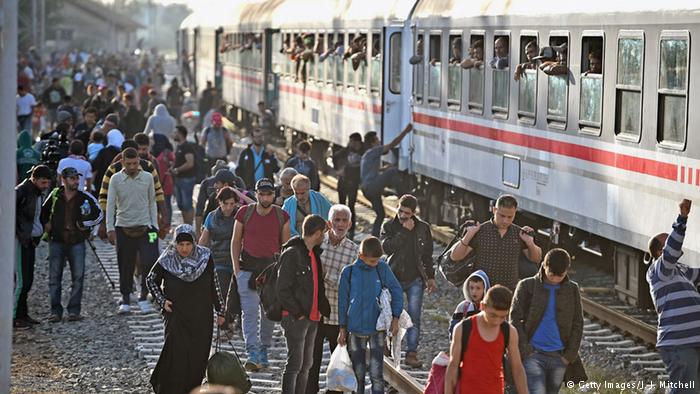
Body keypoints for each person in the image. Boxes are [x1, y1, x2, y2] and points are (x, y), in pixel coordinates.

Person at [147, 224, 225, 394]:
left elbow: (214, 284)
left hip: (202, 317)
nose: (184, 248)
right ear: (175, 244)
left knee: (198, 358)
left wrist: (221, 311)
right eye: (180, 244)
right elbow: (151, 280)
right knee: (176, 356)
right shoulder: (167, 258)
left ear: (194, 243)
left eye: (188, 244)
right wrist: (162, 301)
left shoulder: (205, 257)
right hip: (176, 316)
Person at [229, 178, 291, 371]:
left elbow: (286, 247)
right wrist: (236, 271)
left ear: (274, 194)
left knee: (268, 315)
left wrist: (282, 275)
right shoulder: (244, 213)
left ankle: (263, 350)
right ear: (256, 194)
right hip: (247, 269)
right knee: (249, 314)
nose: (265, 197)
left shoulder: (282, 216)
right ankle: (252, 352)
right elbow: (236, 241)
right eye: (262, 194)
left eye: (269, 194)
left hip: (271, 274)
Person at [510, 248, 584, 394]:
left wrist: (568, 356)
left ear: (567, 270)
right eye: (552, 274)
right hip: (533, 353)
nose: (555, 279)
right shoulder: (527, 286)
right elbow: (514, 319)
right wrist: (526, 350)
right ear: (544, 265)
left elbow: (578, 323)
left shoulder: (572, 289)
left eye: (560, 275)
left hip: (559, 356)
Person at [646, 199, 700, 393]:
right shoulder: (659, 270)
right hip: (679, 343)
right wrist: (682, 218)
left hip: (690, 340)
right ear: (660, 252)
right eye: (667, 241)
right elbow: (672, 249)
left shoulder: (681, 271)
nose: (672, 242)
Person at [337, 236, 403, 394]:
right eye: (372, 261)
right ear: (361, 257)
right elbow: (343, 302)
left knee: (376, 373)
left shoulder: (382, 268)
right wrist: (342, 328)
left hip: (377, 329)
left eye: (378, 260)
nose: (376, 264)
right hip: (356, 330)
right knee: (357, 372)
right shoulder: (349, 272)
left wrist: (395, 317)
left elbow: (396, 291)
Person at [380, 194, 436, 368]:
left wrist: (431, 277)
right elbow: (386, 247)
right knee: (388, 314)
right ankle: (387, 347)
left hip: (415, 279)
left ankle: (411, 353)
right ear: (397, 207)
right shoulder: (388, 225)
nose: (403, 215)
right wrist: (405, 232)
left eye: (407, 213)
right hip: (393, 277)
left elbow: (427, 255)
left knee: (414, 317)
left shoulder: (423, 228)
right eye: (401, 210)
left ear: (413, 213)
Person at [277, 215, 331, 394]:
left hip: (312, 317)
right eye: (323, 233)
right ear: (316, 233)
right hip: (296, 318)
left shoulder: (313, 253)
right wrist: (298, 313)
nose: (324, 236)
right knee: (294, 364)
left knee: (306, 364)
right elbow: (282, 289)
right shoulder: (292, 254)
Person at [307, 204, 358, 394]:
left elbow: (349, 285)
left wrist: (324, 275)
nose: (341, 224)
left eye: (345, 220)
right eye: (337, 220)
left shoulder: (354, 251)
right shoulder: (317, 243)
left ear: (350, 224)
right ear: (329, 223)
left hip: (338, 316)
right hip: (316, 314)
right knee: (311, 361)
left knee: (339, 363)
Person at [41, 167, 103, 322]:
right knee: (54, 278)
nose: (76, 181)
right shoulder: (55, 195)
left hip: (77, 241)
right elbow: (42, 212)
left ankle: (74, 311)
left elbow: (99, 214)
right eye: (72, 178)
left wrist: (85, 224)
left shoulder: (84, 197)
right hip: (57, 241)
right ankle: (55, 311)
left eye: (77, 178)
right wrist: (46, 224)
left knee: (78, 276)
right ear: (64, 179)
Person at [445, 285, 528, 394]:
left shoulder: (509, 331)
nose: (497, 321)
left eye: (502, 317)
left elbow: (517, 368)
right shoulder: (463, 329)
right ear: (482, 306)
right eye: (493, 315)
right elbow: (453, 366)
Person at [106, 147, 159, 315]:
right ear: (123, 162)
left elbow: (152, 202)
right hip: (123, 228)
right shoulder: (115, 179)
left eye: (135, 163)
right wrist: (109, 228)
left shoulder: (148, 177)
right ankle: (126, 299)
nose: (132, 167)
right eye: (128, 164)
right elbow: (110, 205)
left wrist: (155, 226)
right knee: (125, 264)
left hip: (147, 228)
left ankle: (144, 296)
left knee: (149, 262)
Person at [449, 194, 542, 290]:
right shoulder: (481, 230)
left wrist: (530, 243)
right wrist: (468, 236)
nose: (505, 221)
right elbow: (455, 257)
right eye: (502, 216)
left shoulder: (519, 233)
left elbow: (536, 259)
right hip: (483, 291)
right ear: (494, 210)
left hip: (508, 292)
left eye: (510, 217)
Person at [13, 165, 51, 329]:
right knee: (22, 281)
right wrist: (18, 234)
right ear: (34, 179)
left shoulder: (37, 193)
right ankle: (14, 316)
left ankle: (23, 313)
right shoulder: (22, 191)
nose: (45, 186)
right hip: (22, 240)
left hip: (30, 241)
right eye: (42, 182)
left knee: (28, 280)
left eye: (47, 183)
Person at [198, 186, 241, 328]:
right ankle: (225, 318)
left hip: (239, 259)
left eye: (232, 204)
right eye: (226, 203)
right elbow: (204, 240)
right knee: (223, 290)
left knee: (239, 291)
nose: (229, 207)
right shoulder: (212, 217)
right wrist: (199, 259)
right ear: (220, 203)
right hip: (219, 259)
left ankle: (238, 317)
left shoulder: (241, 215)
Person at [360, 123, 413, 236]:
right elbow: (393, 144)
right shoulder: (373, 151)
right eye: (377, 140)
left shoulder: (366, 155)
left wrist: (384, 169)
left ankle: (374, 237)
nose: (379, 142)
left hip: (367, 189)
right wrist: (406, 131)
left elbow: (372, 172)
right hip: (371, 187)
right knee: (392, 172)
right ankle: (404, 197)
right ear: (373, 143)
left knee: (380, 214)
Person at [332, 132, 364, 239]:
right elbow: (335, 157)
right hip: (343, 181)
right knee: (341, 206)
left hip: (353, 183)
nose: (350, 143)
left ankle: (351, 231)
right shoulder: (346, 150)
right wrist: (338, 170)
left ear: (357, 142)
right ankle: (340, 230)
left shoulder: (363, 151)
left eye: (352, 141)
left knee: (351, 207)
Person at [449, 270, 490, 339]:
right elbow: (453, 329)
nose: (474, 292)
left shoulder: (489, 308)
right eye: (471, 288)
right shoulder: (463, 307)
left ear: (485, 289)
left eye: (478, 288)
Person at [172, 125, 198, 225]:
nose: (173, 134)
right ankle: (185, 224)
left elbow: (190, 163)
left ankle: (189, 225)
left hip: (187, 179)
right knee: (181, 204)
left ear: (180, 134)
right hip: (178, 179)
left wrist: (177, 169)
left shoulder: (187, 147)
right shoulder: (178, 146)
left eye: (175, 132)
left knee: (187, 204)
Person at [152, 134, 175, 225]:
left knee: (166, 204)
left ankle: (167, 224)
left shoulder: (167, 152)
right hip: (155, 181)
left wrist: (169, 164)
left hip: (165, 181)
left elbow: (174, 162)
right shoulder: (152, 152)